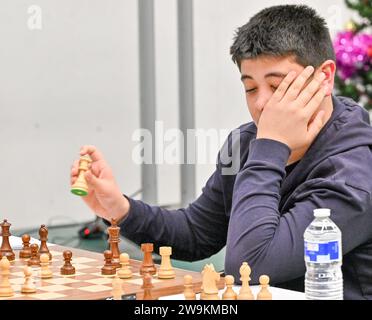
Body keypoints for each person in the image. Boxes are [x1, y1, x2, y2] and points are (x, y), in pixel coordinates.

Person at [70, 5, 372, 300]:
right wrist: (119, 209)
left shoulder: (354, 173)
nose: (261, 104)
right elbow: (197, 233)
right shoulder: (246, 142)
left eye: (277, 85)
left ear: (325, 76)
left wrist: (269, 147)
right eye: (250, 88)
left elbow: (251, 267)